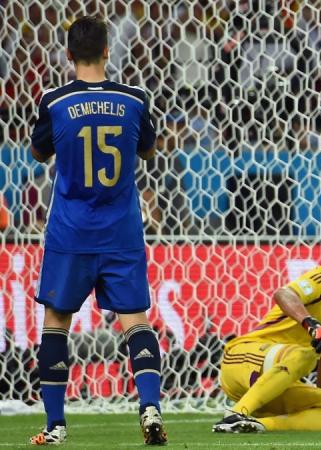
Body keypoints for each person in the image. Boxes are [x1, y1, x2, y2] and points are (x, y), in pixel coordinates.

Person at [28, 16, 166, 445]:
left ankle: (55, 426)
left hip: (70, 232)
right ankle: (150, 408)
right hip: (121, 232)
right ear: (108, 50)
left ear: (68, 54)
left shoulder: (54, 101)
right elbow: (148, 148)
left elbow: (37, 152)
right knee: (135, 321)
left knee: (56, 321)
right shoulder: (136, 99)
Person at [212, 234, 321, 433]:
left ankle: (255, 425)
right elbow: (283, 294)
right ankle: (236, 413)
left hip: (275, 383)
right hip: (243, 360)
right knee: (304, 354)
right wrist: (312, 324)